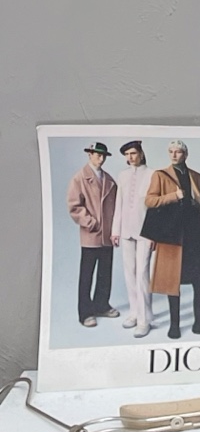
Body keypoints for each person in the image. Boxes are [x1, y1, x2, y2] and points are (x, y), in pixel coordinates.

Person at [144, 140, 200, 340]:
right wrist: (173, 196)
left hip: (195, 235)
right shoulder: (160, 175)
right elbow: (150, 201)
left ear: (185, 154)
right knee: (173, 279)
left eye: (178, 151)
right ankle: (174, 325)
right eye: (171, 151)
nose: (174, 155)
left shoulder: (196, 176)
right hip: (173, 234)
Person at [66, 142, 118, 328]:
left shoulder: (109, 180)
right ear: (89, 155)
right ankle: (85, 313)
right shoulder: (80, 178)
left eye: (103, 155)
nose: (100, 158)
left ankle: (101, 305)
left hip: (108, 235)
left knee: (105, 272)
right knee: (87, 274)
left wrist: (115, 229)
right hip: (91, 234)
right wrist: (90, 222)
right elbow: (74, 206)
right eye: (97, 155)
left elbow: (116, 207)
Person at [111, 139, 154, 337]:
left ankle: (144, 320)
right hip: (126, 230)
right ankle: (134, 313)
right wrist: (115, 231)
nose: (130, 157)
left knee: (142, 273)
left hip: (145, 231)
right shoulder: (123, 175)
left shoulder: (152, 174)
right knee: (130, 272)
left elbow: (155, 208)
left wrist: (154, 234)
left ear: (141, 154)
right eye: (127, 154)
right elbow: (119, 204)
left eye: (133, 153)